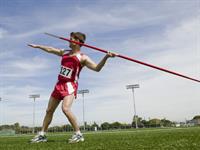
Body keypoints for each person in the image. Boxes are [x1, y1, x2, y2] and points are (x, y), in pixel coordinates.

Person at [28, 32, 116, 143]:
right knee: (49, 110)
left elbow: (97, 68)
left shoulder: (83, 58)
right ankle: (42, 135)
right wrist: (38, 46)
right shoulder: (64, 52)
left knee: (65, 109)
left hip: (70, 85)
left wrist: (106, 57)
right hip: (59, 84)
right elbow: (51, 49)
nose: (69, 40)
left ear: (78, 42)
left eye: (72, 39)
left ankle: (78, 134)